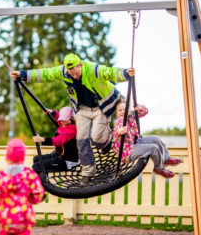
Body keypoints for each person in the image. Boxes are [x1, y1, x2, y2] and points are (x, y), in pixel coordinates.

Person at [10, 53, 134, 185]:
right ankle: (88, 172)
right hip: (82, 108)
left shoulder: (93, 69)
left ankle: (107, 140)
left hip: (101, 105)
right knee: (81, 140)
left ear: (80, 65)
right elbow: (45, 74)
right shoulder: (64, 72)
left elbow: (110, 72)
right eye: (71, 74)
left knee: (98, 138)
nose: (74, 76)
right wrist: (22, 74)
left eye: (76, 73)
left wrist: (125, 73)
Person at [0, 139, 45, 235]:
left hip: (5, 217)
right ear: (22, 155)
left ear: (8, 155)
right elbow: (38, 194)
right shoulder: (29, 174)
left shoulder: (1, 175)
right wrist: (31, 200)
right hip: (23, 218)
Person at [112, 101, 182, 178]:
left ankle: (165, 159)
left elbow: (144, 112)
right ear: (116, 112)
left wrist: (140, 107)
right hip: (127, 151)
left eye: (124, 110)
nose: (122, 112)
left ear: (129, 111)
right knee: (153, 148)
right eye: (119, 110)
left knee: (156, 139)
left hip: (135, 142)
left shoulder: (131, 116)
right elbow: (116, 131)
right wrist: (120, 131)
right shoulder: (119, 121)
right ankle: (159, 168)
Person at [32, 106, 79, 174]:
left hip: (67, 161)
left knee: (37, 166)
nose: (61, 121)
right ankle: (43, 179)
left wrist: (42, 139)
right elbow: (58, 116)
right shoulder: (64, 123)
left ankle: (41, 183)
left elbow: (58, 141)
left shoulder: (72, 129)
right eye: (61, 119)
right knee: (36, 159)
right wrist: (52, 112)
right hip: (60, 154)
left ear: (70, 119)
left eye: (63, 119)